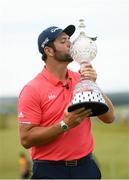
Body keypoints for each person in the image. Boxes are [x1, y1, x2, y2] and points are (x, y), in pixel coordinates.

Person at [17, 24, 115, 179]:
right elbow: (26, 139)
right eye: (63, 41)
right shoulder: (32, 89)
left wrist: (93, 84)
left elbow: (109, 117)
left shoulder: (81, 79)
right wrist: (64, 125)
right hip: (49, 171)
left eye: (69, 39)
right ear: (48, 51)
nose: (70, 43)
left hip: (85, 168)